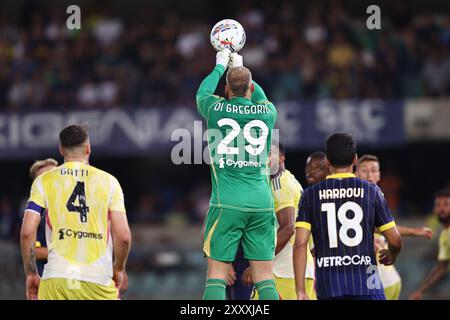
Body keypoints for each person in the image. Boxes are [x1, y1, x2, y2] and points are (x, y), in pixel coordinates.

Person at [197, 49, 278, 300]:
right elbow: (259, 94)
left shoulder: (215, 109)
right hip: (262, 203)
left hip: (227, 203)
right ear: (251, 89)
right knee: (265, 277)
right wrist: (242, 67)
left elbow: (202, 93)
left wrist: (221, 66)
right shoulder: (268, 112)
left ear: (226, 91)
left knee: (216, 276)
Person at [20, 124, 131, 300]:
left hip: (56, 279)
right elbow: (123, 237)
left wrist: (31, 273)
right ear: (88, 149)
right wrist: (118, 269)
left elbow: (27, 232)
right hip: (97, 280)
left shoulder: (43, 181)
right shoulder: (110, 182)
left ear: (61, 150)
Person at [294, 132, 402, 300]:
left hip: (329, 282)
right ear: (355, 159)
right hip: (368, 276)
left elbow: (300, 244)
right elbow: (396, 240)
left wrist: (300, 290)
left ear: (327, 162)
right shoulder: (371, 191)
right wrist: (392, 254)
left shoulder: (310, 195)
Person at [243, 142, 316, 300]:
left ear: (282, 157)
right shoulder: (291, 181)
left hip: (283, 272)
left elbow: (287, 228)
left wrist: (260, 262)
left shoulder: (279, 182)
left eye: (269, 154)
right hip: (298, 270)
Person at [355, 154, 433, 300]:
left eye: (373, 170)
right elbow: (376, 228)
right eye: (364, 170)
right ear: (355, 174)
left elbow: (379, 228)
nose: (369, 175)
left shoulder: (374, 196)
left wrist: (413, 232)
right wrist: (413, 232)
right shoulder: (358, 198)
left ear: (379, 175)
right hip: (380, 278)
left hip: (380, 278)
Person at [409, 190, 450, 300]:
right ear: (434, 209)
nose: (442, 209)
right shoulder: (444, 236)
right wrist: (420, 290)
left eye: (446, 204)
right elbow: (441, 267)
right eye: (438, 205)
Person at [28, 158, 59, 277]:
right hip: (48, 279)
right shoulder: (35, 214)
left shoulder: (74, 206)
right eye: (44, 178)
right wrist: (64, 253)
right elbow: (34, 251)